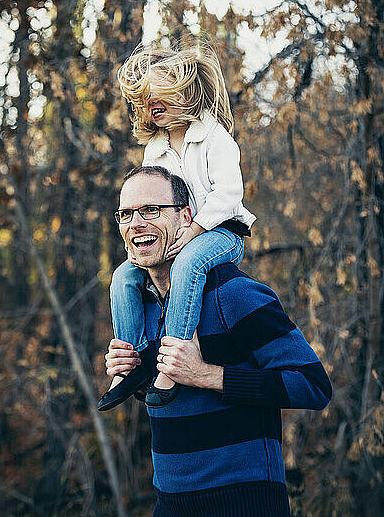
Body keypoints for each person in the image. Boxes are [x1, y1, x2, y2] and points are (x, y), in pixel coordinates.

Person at [102, 166, 332, 517]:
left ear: (186, 217)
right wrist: (133, 372)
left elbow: (313, 386)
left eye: (151, 210)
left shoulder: (234, 294)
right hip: (171, 504)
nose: (136, 223)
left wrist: (205, 374)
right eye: (127, 214)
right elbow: (169, 395)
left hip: (244, 503)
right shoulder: (141, 304)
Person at [98, 42, 256, 410]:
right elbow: (147, 197)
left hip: (222, 231)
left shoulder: (214, 137)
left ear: (183, 94)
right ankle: (134, 361)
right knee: (124, 276)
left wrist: (195, 230)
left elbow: (230, 193)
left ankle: (173, 356)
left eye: (160, 100)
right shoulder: (155, 147)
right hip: (179, 232)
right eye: (147, 104)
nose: (153, 110)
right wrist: (140, 240)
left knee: (188, 264)